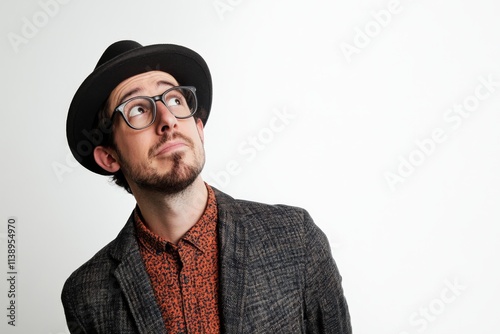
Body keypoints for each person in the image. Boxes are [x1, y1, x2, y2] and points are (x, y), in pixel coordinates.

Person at [62, 40, 352, 333]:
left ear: (198, 129)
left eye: (175, 100)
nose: (167, 119)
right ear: (110, 157)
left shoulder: (295, 237)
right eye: (137, 108)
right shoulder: (85, 296)